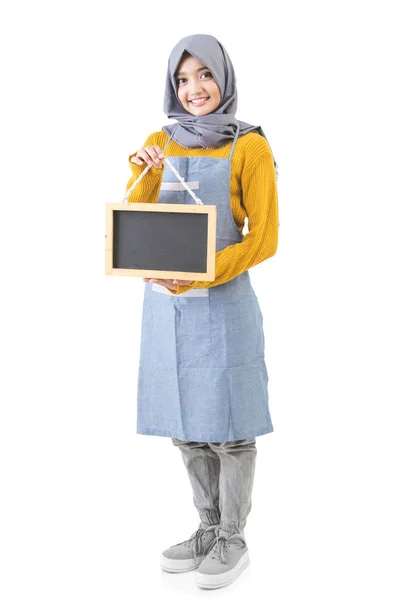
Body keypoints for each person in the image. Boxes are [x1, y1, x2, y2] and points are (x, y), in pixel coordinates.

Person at [125, 33, 279, 590]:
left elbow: (265, 239)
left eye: (205, 75)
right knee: (186, 425)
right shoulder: (158, 141)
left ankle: (234, 536)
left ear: (224, 78)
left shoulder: (250, 147)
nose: (194, 89)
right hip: (168, 306)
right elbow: (135, 222)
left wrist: (204, 271)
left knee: (230, 427)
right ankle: (206, 526)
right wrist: (143, 168)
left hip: (224, 301)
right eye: (182, 79)